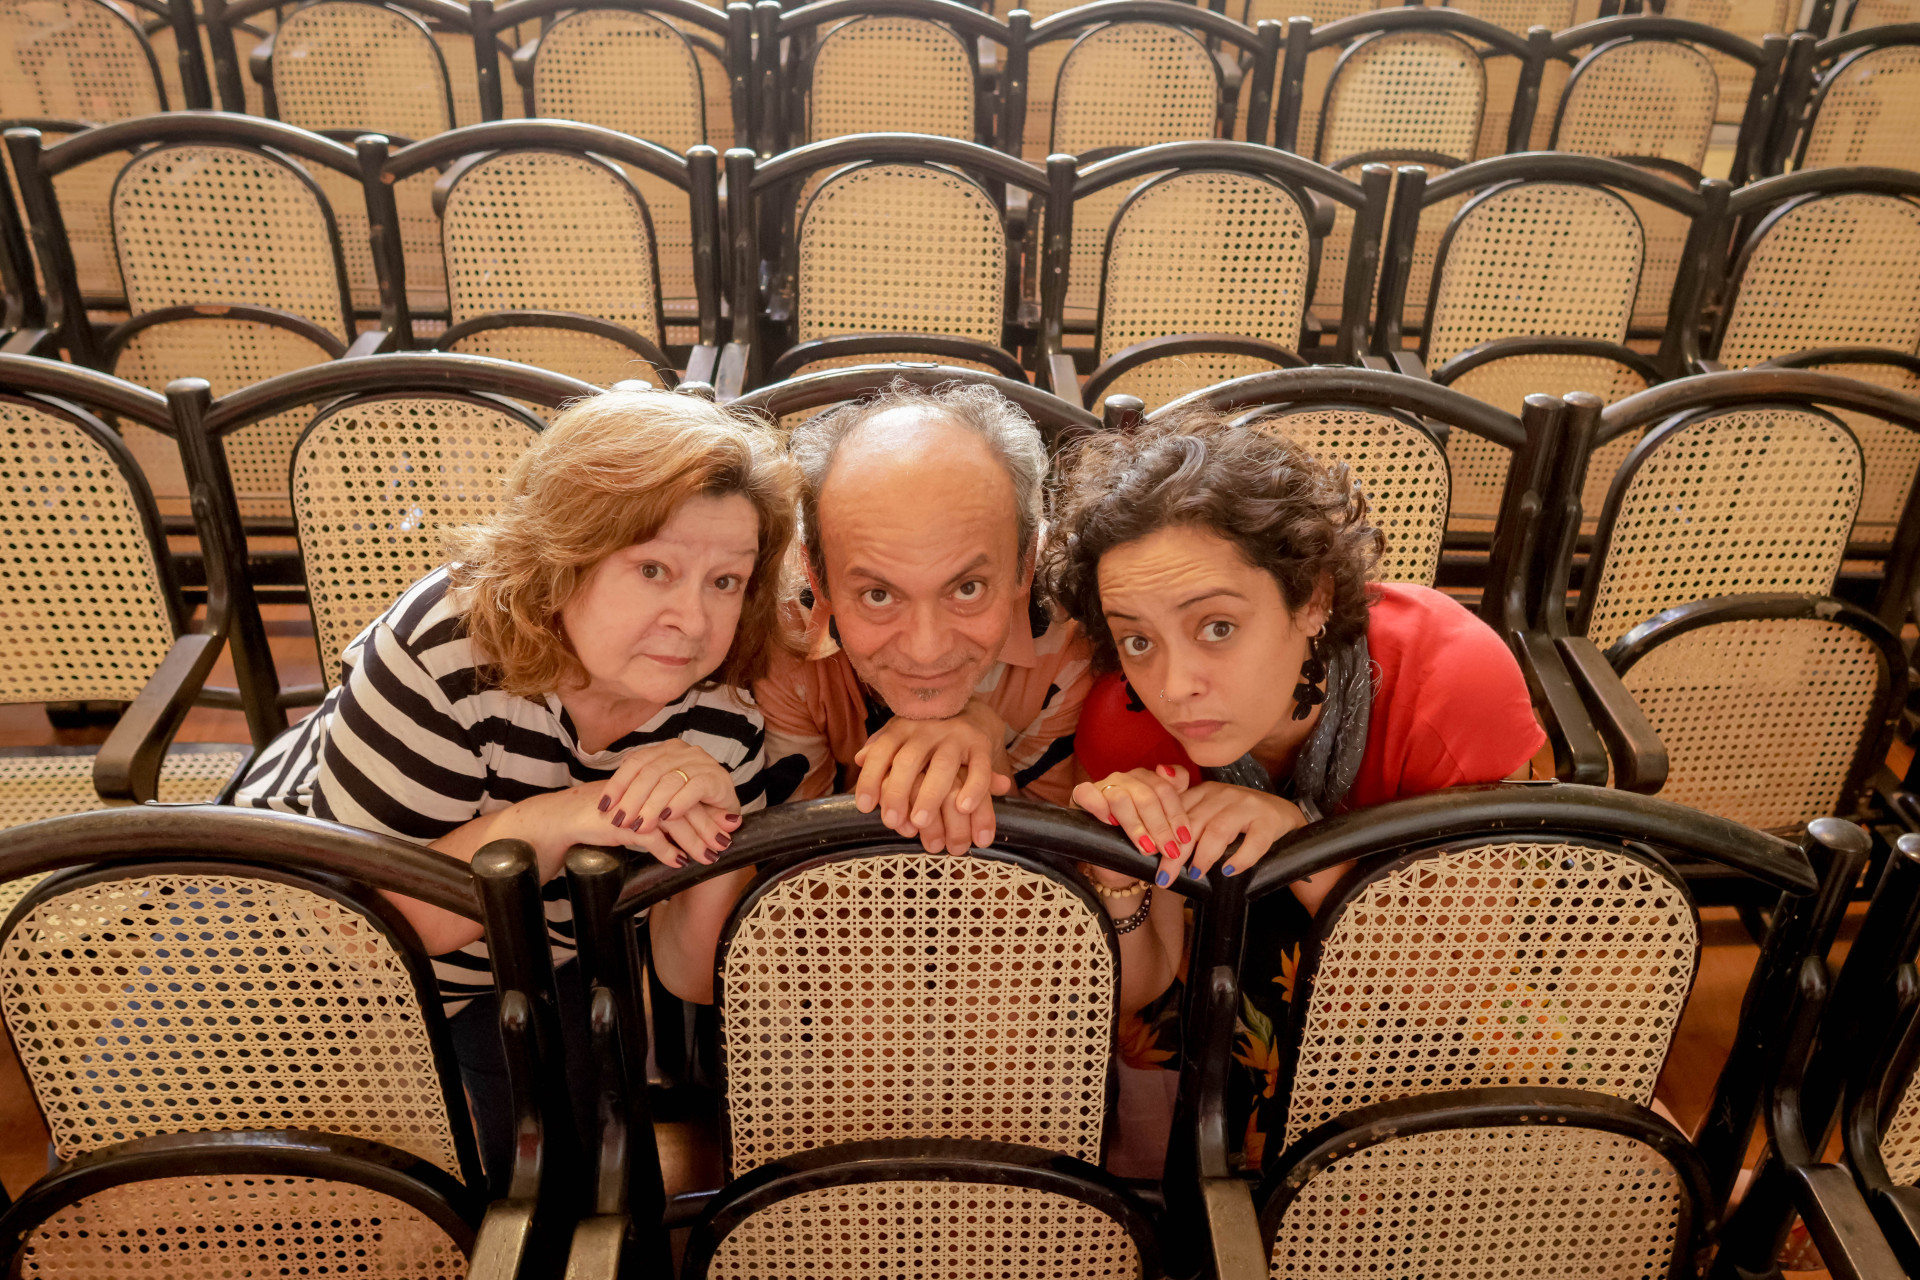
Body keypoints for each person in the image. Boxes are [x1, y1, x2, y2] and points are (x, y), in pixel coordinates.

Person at [234, 389, 797, 1184]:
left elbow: (690, 973)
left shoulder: (724, 706)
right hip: (297, 915)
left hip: (536, 946)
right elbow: (363, 935)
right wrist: (562, 818)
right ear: (563, 561)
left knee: (584, 1174)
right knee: (255, 1183)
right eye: (652, 569)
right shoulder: (448, 643)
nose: (694, 620)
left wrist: (718, 818)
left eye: (726, 581)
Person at [1041, 410, 1545, 1169]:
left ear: (1311, 598)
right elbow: (1142, 988)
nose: (1175, 685)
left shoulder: (1450, 684)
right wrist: (1115, 883)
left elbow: (1459, 984)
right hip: (1223, 987)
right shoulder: (1126, 721)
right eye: (1138, 639)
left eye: (1216, 627)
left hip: (1417, 983)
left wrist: (1302, 843)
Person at [754, 380, 1092, 849]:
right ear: (817, 578)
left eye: (967, 589)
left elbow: (1051, 890)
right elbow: (791, 878)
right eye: (877, 595)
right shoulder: (777, 634)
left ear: (1025, 565)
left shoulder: (1073, 636)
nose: (926, 650)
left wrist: (991, 759)